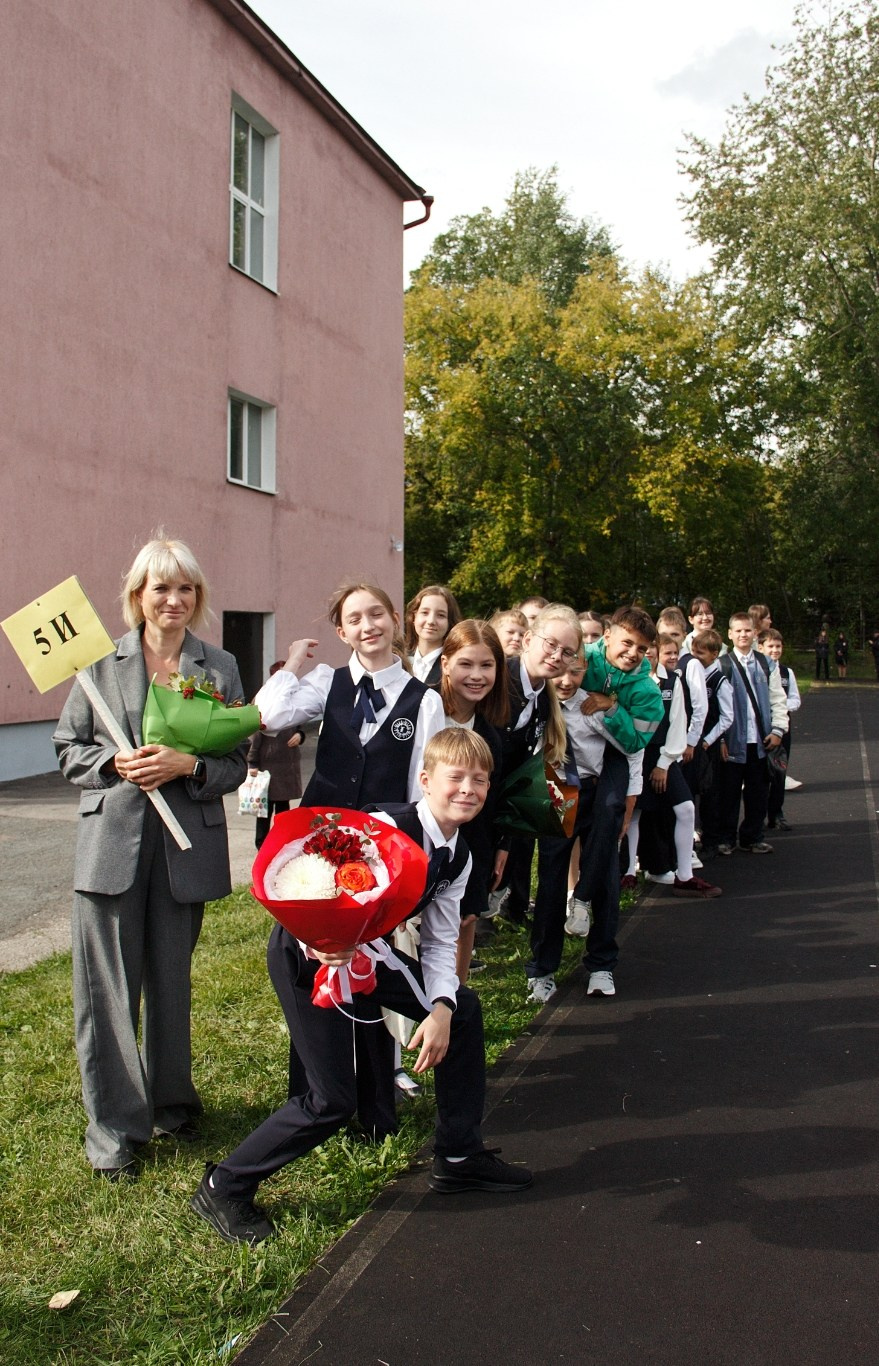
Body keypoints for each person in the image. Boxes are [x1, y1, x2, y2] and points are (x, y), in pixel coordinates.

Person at [190, 729, 533, 1246]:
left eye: (479, 780)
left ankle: (460, 1155)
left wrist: (438, 1007)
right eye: (455, 777)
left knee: (461, 1009)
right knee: (330, 1100)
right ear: (425, 780)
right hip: (309, 955)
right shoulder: (386, 824)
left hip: (366, 955)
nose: (468, 789)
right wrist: (323, 941)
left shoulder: (461, 856)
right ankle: (224, 1184)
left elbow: (440, 943)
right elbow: (310, 874)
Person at [53, 536, 249, 1179]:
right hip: (110, 849)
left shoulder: (217, 666)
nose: (174, 599)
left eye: (185, 588)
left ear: (199, 598)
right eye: (160, 587)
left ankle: (172, 1103)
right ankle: (112, 1130)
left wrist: (187, 763)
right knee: (107, 992)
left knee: (171, 984)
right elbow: (67, 748)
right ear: (137, 596)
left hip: (184, 850)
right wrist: (113, 762)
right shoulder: (97, 667)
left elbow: (234, 762)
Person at [254, 581, 446, 1138]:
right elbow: (267, 714)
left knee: (369, 972)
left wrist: (408, 872)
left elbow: (422, 792)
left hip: (378, 859)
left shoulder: (423, 699)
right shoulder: (326, 684)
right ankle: (314, 1094)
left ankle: (374, 1107)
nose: (369, 626)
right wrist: (291, 661)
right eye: (355, 619)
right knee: (313, 967)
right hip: (315, 857)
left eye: (377, 615)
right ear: (342, 632)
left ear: (395, 621)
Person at [528, 649, 645, 1003]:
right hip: (557, 796)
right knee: (550, 880)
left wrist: (629, 801)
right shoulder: (537, 708)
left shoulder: (592, 707)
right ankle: (542, 970)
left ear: (585, 673)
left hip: (594, 793)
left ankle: (601, 963)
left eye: (575, 673)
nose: (566, 681)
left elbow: (630, 749)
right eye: (559, 673)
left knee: (606, 876)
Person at [574, 605, 666, 993]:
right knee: (554, 855)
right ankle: (540, 967)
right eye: (627, 642)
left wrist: (611, 706)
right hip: (565, 765)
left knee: (609, 852)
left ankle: (598, 953)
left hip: (614, 771)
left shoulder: (647, 690)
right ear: (607, 634)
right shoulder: (578, 656)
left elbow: (634, 743)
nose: (633, 653)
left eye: (642, 649)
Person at [496, 603, 579, 925]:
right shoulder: (498, 677)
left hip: (498, 802)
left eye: (568, 652)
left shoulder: (545, 697)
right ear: (528, 640)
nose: (558, 655)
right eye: (551, 644)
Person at [438, 621, 510, 980]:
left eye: (487, 665)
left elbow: (497, 799)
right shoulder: (422, 710)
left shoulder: (492, 731)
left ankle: (454, 1001)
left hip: (472, 843)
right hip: (417, 839)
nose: (477, 676)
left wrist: (502, 844)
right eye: (466, 664)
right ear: (445, 663)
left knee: (464, 917)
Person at [624, 635, 721, 899]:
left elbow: (678, 723)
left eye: (651, 650)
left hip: (662, 755)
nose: (648, 655)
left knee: (686, 808)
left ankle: (685, 876)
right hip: (635, 753)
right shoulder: (626, 679)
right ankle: (628, 872)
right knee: (633, 813)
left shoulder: (672, 681)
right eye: (643, 651)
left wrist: (665, 763)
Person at [715, 612, 788, 854]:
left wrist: (778, 730)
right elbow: (714, 706)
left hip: (761, 740)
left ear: (755, 633)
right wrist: (721, 738)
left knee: (758, 792)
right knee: (729, 792)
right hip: (733, 740)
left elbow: (779, 700)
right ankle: (726, 837)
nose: (743, 635)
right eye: (738, 631)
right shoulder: (722, 664)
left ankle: (753, 836)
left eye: (747, 630)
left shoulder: (767, 664)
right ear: (730, 634)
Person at [246, 661, 305, 849]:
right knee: (264, 810)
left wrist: (300, 735)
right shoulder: (264, 698)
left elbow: (301, 722)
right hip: (267, 767)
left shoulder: (294, 697)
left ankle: (283, 842)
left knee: (283, 809)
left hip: (286, 766)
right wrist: (252, 762)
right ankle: (261, 845)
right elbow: (255, 733)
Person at [758, 628, 801, 830]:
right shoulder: (755, 669)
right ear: (760, 647)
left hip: (782, 729)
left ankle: (776, 813)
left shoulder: (786, 672)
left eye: (778, 646)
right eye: (770, 646)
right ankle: (758, 815)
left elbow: (795, 699)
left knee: (779, 773)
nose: (775, 650)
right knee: (759, 776)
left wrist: (780, 708)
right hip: (761, 730)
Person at [404, 584, 462, 686]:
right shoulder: (399, 661)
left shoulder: (454, 666)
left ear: (450, 622)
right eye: (425, 613)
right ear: (414, 617)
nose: (431, 621)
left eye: (441, 615)